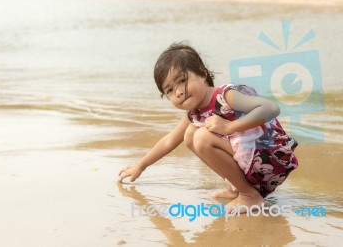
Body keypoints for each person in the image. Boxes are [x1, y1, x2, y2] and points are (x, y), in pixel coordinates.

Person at [118, 42, 299, 213]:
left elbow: (271, 108)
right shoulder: (194, 113)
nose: (179, 91)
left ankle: (250, 195)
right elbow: (169, 141)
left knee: (201, 137)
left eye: (182, 80)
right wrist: (140, 166)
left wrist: (229, 126)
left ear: (203, 74)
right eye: (170, 91)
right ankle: (238, 187)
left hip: (271, 160)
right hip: (252, 161)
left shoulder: (225, 96)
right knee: (190, 134)